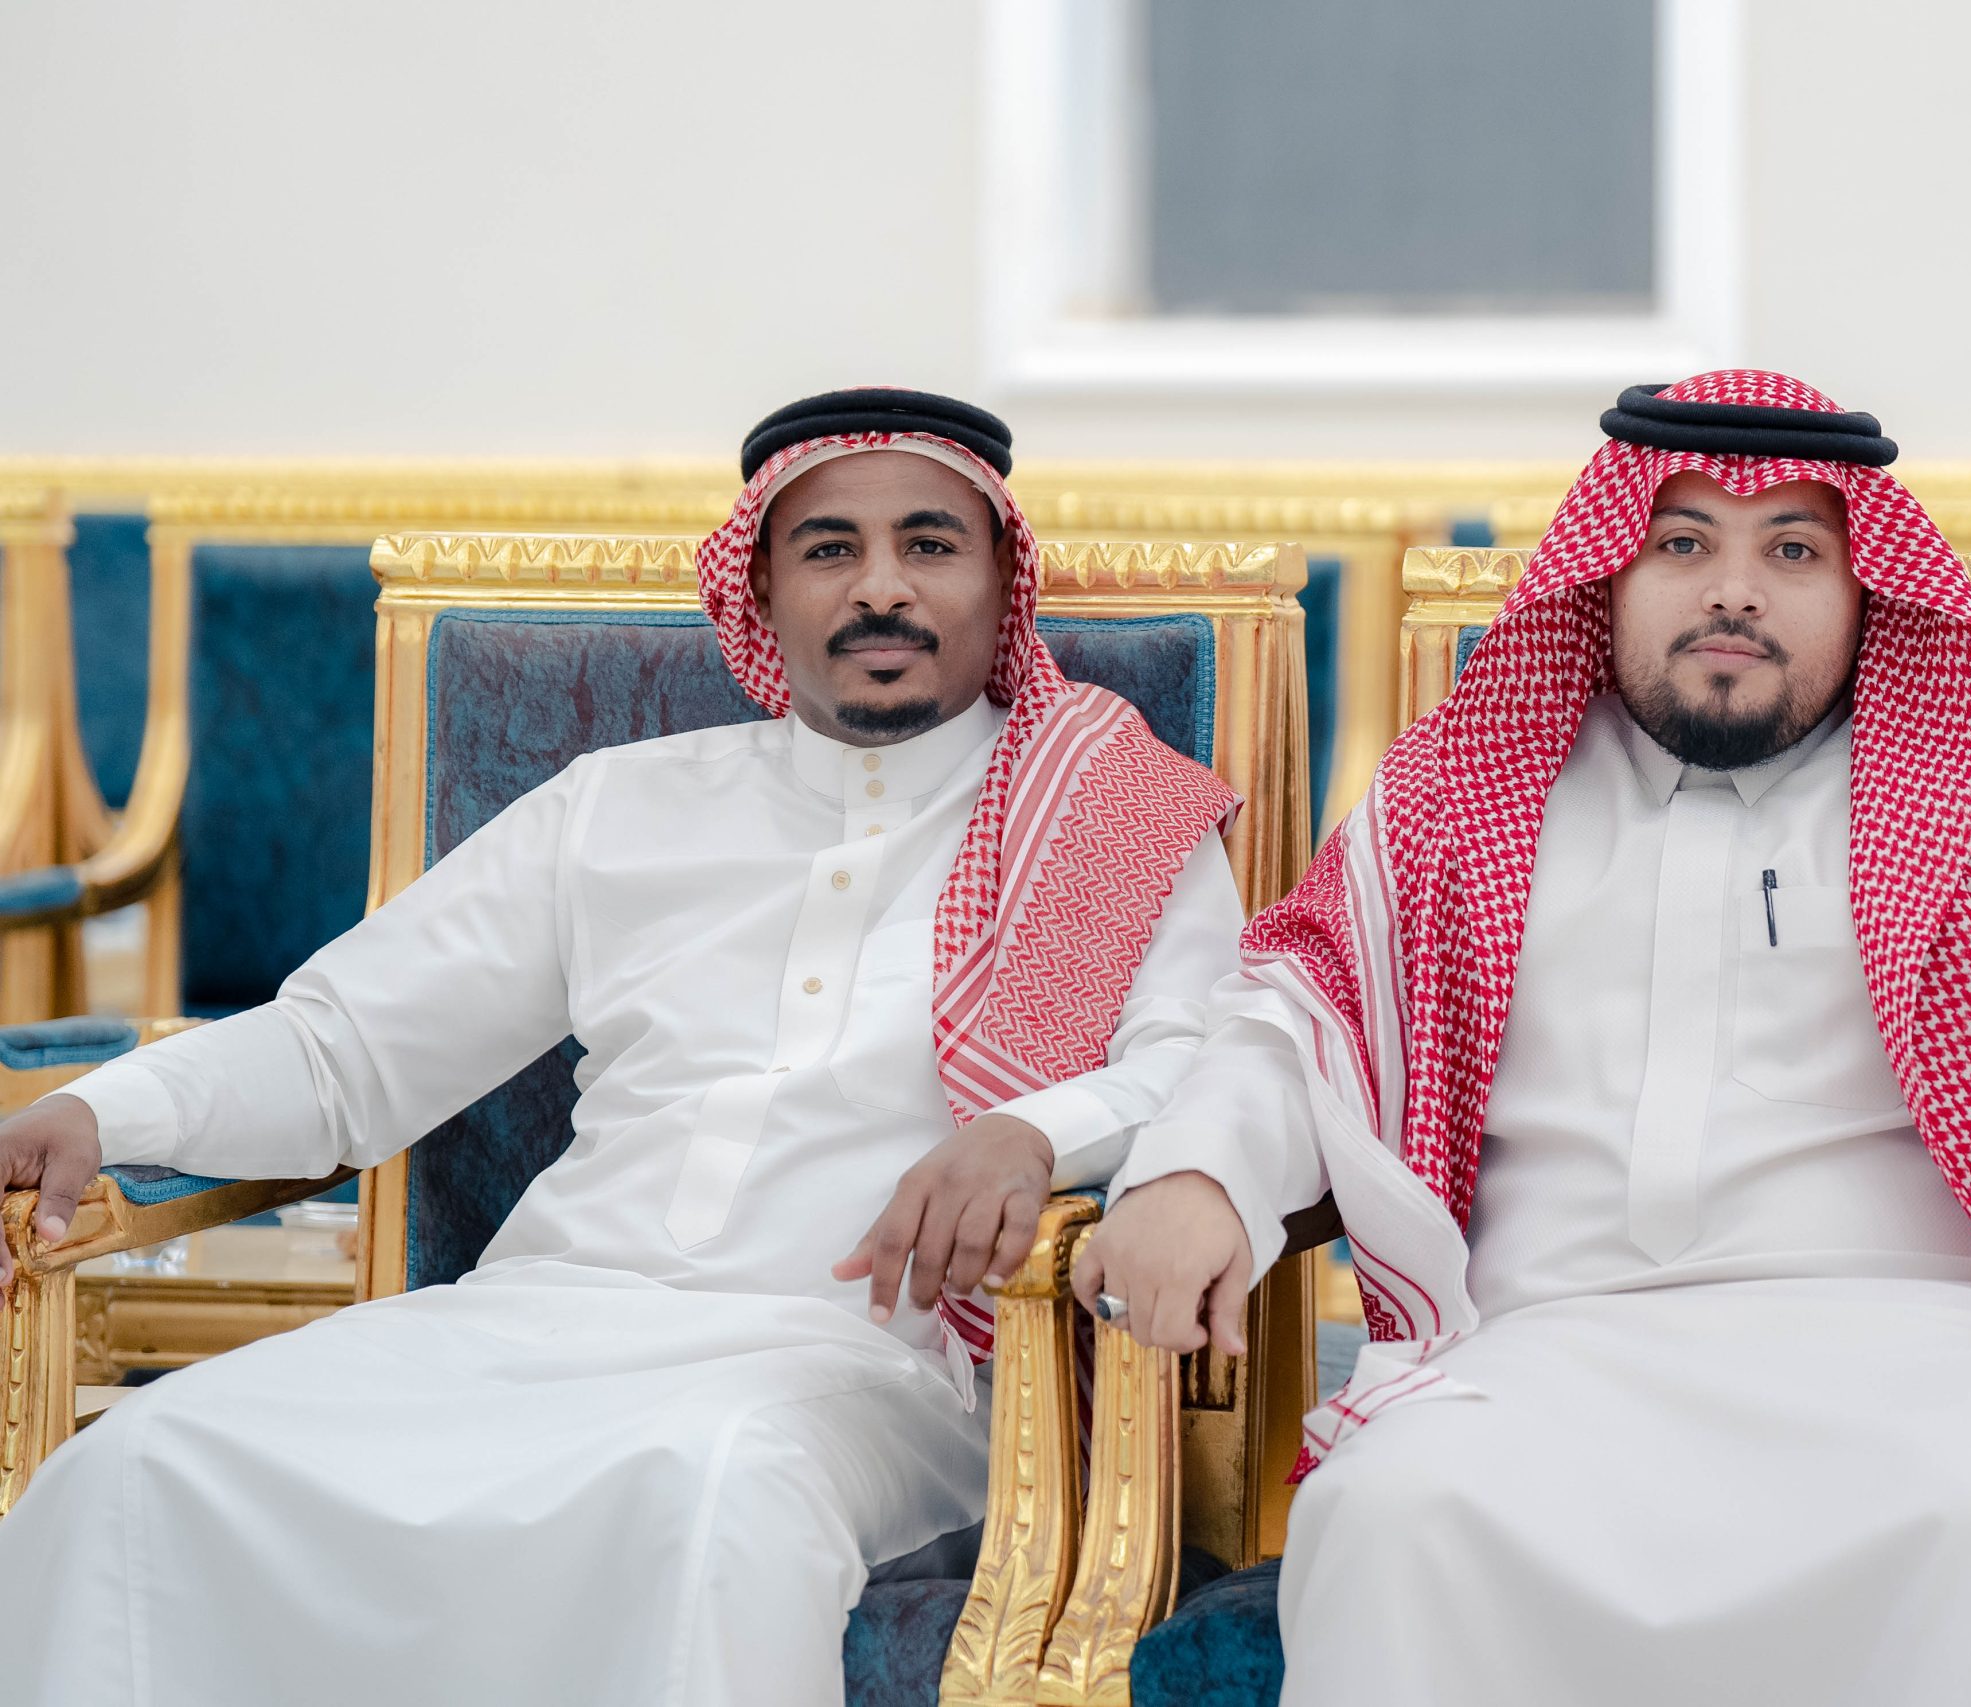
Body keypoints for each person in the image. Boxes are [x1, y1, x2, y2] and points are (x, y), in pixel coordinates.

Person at [1076, 371, 1971, 1705]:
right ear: (1610, 574)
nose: (1733, 592)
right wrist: (1199, 1171)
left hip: (1944, 1353)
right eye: (1683, 543)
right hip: (1551, 1348)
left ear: (1865, 591)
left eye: (1793, 552)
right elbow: (1291, 1025)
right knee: (1400, 1517)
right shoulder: (1465, 792)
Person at [0, 388, 1246, 1707]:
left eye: (930, 545)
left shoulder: (1108, 811)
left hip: (867, 1362)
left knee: (713, 1491)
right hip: (537, 1318)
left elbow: (1209, 1062)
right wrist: (100, 1114)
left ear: (1002, 583)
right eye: (829, 549)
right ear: (759, 593)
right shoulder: (622, 807)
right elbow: (340, 1051)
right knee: (139, 1462)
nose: (881, 587)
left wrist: (1034, 1130)